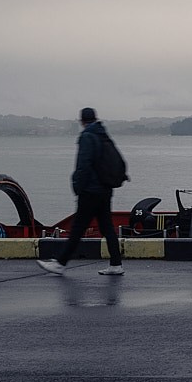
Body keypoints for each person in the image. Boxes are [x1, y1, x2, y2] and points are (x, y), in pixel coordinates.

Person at [39, 107, 126, 276]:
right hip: (105, 188)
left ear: (82, 121)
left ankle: (60, 264)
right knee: (107, 227)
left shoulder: (87, 136)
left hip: (90, 190)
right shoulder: (103, 134)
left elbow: (83, 165)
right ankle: (116, 264)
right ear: (95, 118)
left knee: (78, 228)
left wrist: (77, 186)